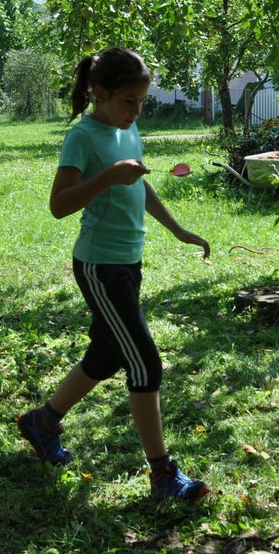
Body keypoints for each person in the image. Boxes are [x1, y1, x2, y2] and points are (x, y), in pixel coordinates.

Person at [17, 47, 212, 502]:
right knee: (145, 362)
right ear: (100, 94)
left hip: (128, 261)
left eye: (141, 102)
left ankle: (42, 423)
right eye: (129, 101)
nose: (136, 111)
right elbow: (59, 205)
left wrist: (177, 229)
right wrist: (108, 176)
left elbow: (137, 183)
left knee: (106, 356)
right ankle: (162, 474)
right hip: (99, 266)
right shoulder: (82, 137)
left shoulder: (129, 128)